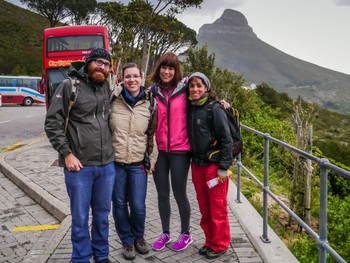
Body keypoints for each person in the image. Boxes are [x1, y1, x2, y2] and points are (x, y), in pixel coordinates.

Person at [44, 47, 116, 263]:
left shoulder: (107, 88)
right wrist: (66, 154)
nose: (102, 68)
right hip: (79, 167)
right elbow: (52, 123)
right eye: (98, 62)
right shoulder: (69, 86)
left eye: (106, 65)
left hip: (106, 166)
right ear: (88, 62)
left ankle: (101, 255)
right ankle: (81, 258)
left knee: (102, 217)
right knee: (80, 217)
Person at [109, 63, 158, 260]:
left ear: (142, 78)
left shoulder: (150, 102)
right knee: (119, 204)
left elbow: (152, 134)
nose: (132, 80)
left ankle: (139, 237)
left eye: (135, 76)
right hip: (115, 163)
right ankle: (127, 241)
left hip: (138, 164)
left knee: (138, 206)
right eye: (128, 76)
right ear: (122, 78)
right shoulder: (112, 100)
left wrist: (152, 160)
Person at [147, 52, 193, 252]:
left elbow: (205, 96)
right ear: (159, 69)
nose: (166, 72)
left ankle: (186, 234)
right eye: (164, 67)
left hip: (180, 150)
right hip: (160, 152)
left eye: (171, 68)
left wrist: (221, 102)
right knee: (162, 194)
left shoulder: (185, 89)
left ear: (176, 71)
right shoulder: (152, 92)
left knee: (179, 192)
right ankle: (165, 233)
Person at [186, 72, 233, 260]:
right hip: (197, 165)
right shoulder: (191, 107)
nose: (195, 89)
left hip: (214, 167)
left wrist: (224, 167)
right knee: (205, 207)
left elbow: (227, 140)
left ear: (206, 88)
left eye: (199, 85)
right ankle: (209, 241)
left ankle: (220, 245)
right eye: (192, 86)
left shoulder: (215, 109)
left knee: (218, 206)